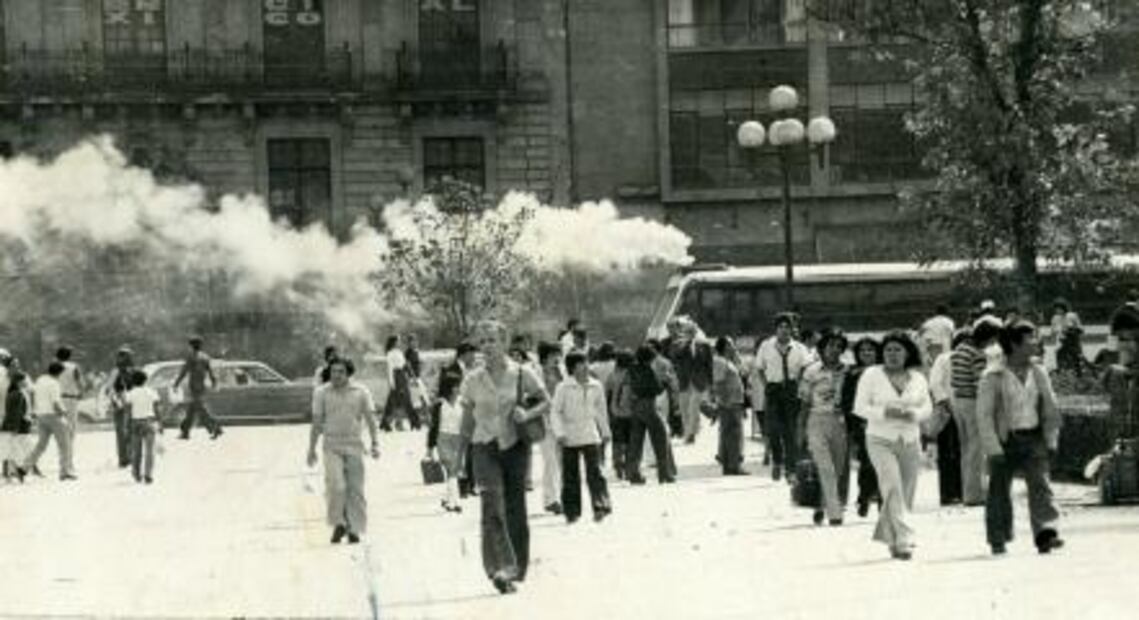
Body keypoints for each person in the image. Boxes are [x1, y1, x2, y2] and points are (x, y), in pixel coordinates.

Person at [459, 319, 550, 595]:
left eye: (492, 340)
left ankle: (516, 569)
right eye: (482, 341)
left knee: (515, 507)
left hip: (515, 446)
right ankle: (500, 568)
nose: (486, 346)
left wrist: (528, 413)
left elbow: (546, 400)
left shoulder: (523, 372)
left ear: (504, 342)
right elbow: (466, 421)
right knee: (491, 505)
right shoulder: (472, 379)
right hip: (484, 447)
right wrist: (459, 461)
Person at [976, 320, 1064, 555]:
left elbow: (1050, 408)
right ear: (1014, 345)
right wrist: (993, 448)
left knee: (1041, 485)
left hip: (1034, 436)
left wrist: (1051, 438)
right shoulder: (993, 376)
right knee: (999, 491)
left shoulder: (1039, 371)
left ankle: (1046, 532)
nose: (1036, 343)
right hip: (1006, 439)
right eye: (1030, 339)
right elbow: (984, 416)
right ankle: (998, 537)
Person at [854, 331, 932, 560]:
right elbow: (859, 407)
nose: (892, 354)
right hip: (880, 439)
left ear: (908, 353)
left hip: (909, 439)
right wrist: (884, 411)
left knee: (906, 492)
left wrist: (914, 414)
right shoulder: (871, 374)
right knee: (892, 487)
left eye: (898, 349)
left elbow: (927, 406)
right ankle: (905, 539)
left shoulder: (918, 378)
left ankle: (892, 538)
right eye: (888, 350)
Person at [307, 358, 380, 544]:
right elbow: (316, 423)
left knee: (355, 490)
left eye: (340, 372)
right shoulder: (321, 392)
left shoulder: (361, 392)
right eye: (333, 372)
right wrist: (311, 449)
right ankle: (339, 522)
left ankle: (354, 528)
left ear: (349, 374)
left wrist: (375, 443)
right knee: (337, 486)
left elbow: (371, 420)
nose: (336, 376)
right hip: (331, 446)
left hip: (355, 445)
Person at [550, 351, 612, 524]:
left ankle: (600, 506)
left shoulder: (596, 386)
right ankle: (572, 511)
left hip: (591, 433)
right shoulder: (563, 387)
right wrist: (559, 433)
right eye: (580, 364)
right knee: (570, 475)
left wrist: (606, 431)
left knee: (596, 472)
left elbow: (601, 411)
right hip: (569, 435)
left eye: (586, 363)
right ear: (572, 367)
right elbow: (555, 412)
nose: (585, 367)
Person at [799, 328, 850, 525]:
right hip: (816, 420)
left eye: (839, 346)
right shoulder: (811, 371)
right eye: (830, 345)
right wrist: (800, 429)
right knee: (825, 468)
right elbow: (804, 402)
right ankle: (835, 515)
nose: (834, 349)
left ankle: (821, 504)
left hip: (840, 423)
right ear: (822, 348)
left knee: (837, 470)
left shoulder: (848, 371)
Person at [755, 312, 812, 482]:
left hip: (792, 390)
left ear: (793, 329)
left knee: (791, 431)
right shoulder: (766, 346)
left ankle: (790, 470)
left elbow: (806, 367)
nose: (785, 330)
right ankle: (777, 461)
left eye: (788, 327)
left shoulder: (800, 348)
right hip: (773, 389)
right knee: (773, 429)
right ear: (776, 329)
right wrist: (767, 385)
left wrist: (800, 384)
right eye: (781, 327)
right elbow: (759, 368)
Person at [951, 317, 1001, 506]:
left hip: (959, 401)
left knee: (966, 449)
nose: (994, 343)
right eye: (994, 339)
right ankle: (976, 494)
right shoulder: (978, 353)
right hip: (973, 401)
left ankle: (968, 492)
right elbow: (980, 382)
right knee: (977, 449)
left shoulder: (960, 349)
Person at [840, 337, 881, 517]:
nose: (867, 354)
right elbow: (848, 400)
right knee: (866, 461)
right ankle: (864, 496)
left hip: (883, 422)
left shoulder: (885, 372)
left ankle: (882, 497)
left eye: (870, 350)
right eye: (863, 351)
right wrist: (855, 421)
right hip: (862, 423)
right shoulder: (852, 374)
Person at [625, 344, 676, 484]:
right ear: (649, 359)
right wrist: (666, 382)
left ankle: (633, 473)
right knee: (661, 439)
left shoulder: (632, 370)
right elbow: (657, 389)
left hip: (636, 407)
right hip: (649, 406)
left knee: (636, 442)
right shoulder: (648, 370)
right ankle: (664, 473)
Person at [436, 341, 479, 499]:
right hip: (456, 413)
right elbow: (443, 392)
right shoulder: (450, 370)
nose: (474, 358)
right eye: (472, 354)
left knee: (471, 448)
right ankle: (462, 485)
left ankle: (470, 483)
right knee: (461, 450)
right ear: (465, 354)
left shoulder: (472, 370)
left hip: (470, 410)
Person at [928, 332, 966, 506]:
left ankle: (964, 490)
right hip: (947, 411)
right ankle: (948, 493)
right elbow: (935, 383)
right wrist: (944, 402)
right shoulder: (944, 359)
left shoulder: (975, 358)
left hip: (968, 411)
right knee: (947, 453)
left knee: (965, 452)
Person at [24, 362, 77, 481]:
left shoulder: (40, 380)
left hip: (41, 415)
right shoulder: (54, 383)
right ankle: (65, 471)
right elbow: (56, 403)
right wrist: (64, 412)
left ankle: (24, 467)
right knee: (65, 445)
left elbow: (34, 395)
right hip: (53, 416)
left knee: (41, 445)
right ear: (59, 373)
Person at [669, 318, 714, 444]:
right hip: (683, 380)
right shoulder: (677, 344)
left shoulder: (704, 345)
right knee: (684, 408)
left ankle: (691, 434)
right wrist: (686, 343)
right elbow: (674, 357)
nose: (691, 333)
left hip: (699, 381)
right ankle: (688, 430)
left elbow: (709, 364)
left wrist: (711, 382)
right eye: (688, 331)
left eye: (692, 331)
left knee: (694, 407)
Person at [172, 336, 223, 441]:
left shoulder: (191, 357)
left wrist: (176, 384)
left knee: (201, 410)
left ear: (191, 346)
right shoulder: (205, 357)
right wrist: (214, 382)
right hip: (202, 386)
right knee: (192, 410)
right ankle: (185, 432)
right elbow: (211, 372)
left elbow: (184, 372)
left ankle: (215, 428)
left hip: (194, 387)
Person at [712, 337, 748, 476]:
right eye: (730, 344)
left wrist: (736, 357)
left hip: (734, 401)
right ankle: (734, 465)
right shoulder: (720, 362)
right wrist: (725, 401)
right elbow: (719, 383)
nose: (733, 346)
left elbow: (743, 371)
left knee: (729, 434)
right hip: (729, 403)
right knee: (734, 434)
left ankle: (729, 465)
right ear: (724, 346)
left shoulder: (728, 361)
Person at [537, 341, 565, 515]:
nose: (558, 358)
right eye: (555, 354)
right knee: (550, 461)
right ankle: (551, 499)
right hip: (543, 422)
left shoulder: (561, 371)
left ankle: (557, 497)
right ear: (547, 356)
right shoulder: (537, 373)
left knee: (562, 461)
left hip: (561, 421)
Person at [430, 377, 465, 513]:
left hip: (458, 438)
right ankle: (455, 503)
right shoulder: (439, 405)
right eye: (456, 386)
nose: (458, 388)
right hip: (443, 438)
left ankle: (447, 498)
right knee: (451, 470)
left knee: (455, 472)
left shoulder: (463, 402)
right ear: (449, 388)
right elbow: (434, 427)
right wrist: (430, 448)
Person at [125, 369, 161, 484]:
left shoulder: (130, 394)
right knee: (150, 451)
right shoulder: (152, 392)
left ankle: (136, 474)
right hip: (149, 421)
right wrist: (160, 422)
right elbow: (156, 409)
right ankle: (148, 475)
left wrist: (127, 425)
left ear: (133, 381)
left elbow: (128, 411)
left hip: (136, 422)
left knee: (136, 451)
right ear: (145, 380)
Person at [605, 349, 635, 480]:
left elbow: (606, 393)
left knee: (617, 441)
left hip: (615, 413)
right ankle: (629, 467)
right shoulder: (632, 374)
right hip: (631, 413)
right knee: (630, 441)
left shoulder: (612, 375)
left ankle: (617, 464)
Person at [106, 347, 137, 466]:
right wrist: (116, 400)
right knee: (122, 431)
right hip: (121, 402)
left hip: (129, 402)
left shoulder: (131, 371)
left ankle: (129, 456)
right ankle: (124, 458)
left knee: (128, 431)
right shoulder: (117, 371)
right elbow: (109, 389)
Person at [1, 371, 33, 482]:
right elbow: (16, 413)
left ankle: (11, 474)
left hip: (9, 426)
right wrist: (15, 428)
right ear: (18, 382)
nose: (26, 382)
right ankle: (17, 471)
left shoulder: (12, 392)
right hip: (15, 427)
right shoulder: (18, 394)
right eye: (24, 380)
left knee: (11, 450)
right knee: (16, 450)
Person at [381, 335, 415, 431]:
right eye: (398, 341)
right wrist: (391, 383)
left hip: (402, 376)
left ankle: (397, 422)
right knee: (395, 400)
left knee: (403, 399)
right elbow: (390, 369)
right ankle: (390, 422)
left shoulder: (400, 353)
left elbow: (404, 365)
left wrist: (409, 376)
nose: (399, 343)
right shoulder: (390, 354)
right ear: (394, 342)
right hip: (396, 377)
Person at [55, 346, 87, 445]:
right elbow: (81, 384)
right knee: (71, 427)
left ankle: (62, 452)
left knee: (60, 426)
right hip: (71, 399)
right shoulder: (74, 367)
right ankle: (68, 452)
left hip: (58, 399)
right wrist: (81, 393)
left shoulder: (54, 367)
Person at [1051, 298, 1085, 375]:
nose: (1058, 311)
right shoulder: (1055, 318)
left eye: (1059, 309)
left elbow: (1081, 329)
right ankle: (1062, 373)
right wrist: (1055, 334)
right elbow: (1053, 331)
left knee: (1076, 358)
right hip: (1062, 342)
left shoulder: (1072, 316)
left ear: (1064, 308)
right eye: (1056, 309)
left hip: (1073, 341)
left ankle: (1079, 373)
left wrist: (1071, 329)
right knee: (1060, 356)